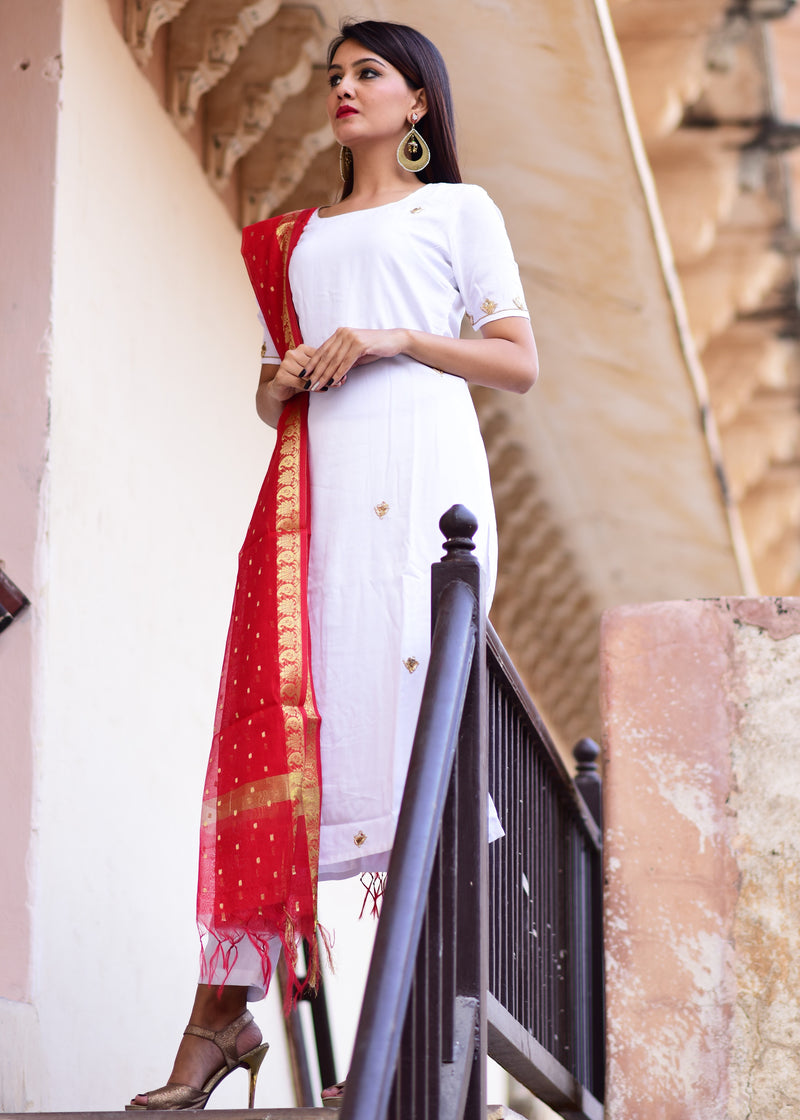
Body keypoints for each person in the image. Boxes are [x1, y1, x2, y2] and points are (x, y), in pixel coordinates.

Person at [127, 18, 537, 1111]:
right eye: (334, 74)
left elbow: (516, 360)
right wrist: (291, 374)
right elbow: (271, 394)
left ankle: (391, 1032)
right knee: (291, 714)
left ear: (416, 103)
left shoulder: (457, 209)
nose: (342, 88)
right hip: (320, 503)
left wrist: (395, 336)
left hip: (423, 489)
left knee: (407, 737)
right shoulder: (296, 238)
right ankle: (222, 1010)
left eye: (368, 74)